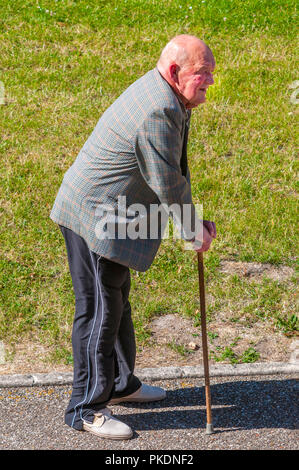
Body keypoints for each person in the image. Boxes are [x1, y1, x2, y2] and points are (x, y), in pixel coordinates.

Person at [50, 34, 217, 440]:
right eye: (203, 75)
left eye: (212, 74)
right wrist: (193, 228)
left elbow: (172, 170)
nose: (210, 83)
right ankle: (85, 408)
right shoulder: (159, 108)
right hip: (94, 217)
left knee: (116, 299)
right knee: (100, 310)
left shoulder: (168, 93)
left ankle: (120, 383)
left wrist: (192, 220)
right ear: (176, 72)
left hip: (114, 212)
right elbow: (166, 182)